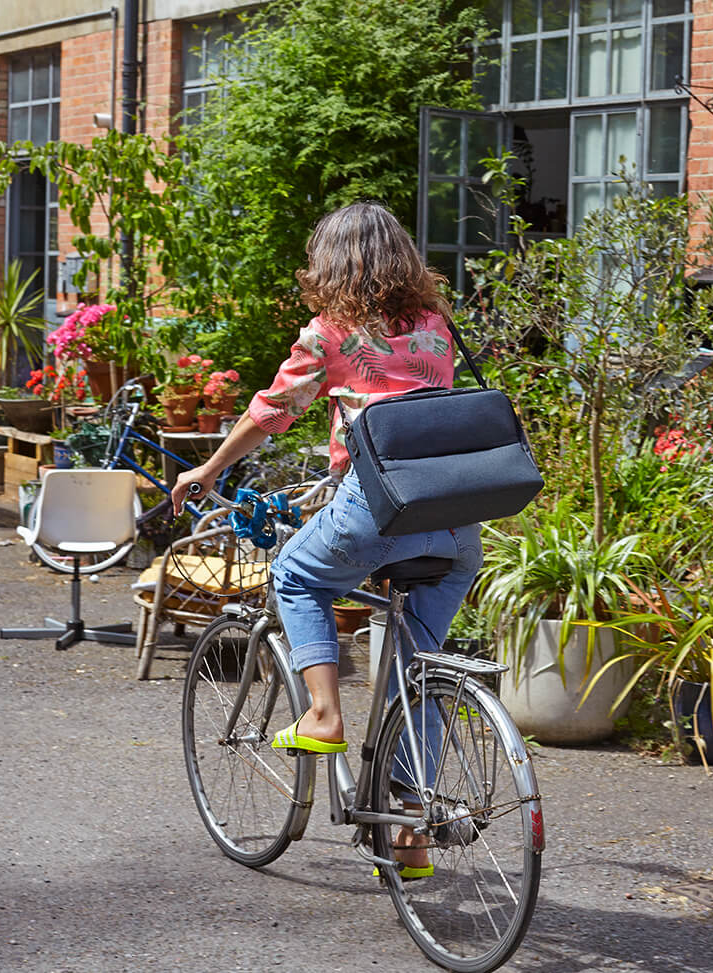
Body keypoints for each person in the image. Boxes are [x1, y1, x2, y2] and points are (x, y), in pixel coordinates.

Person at [170, 202, 482, 877]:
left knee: (295, 574)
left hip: (376, 507)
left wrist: (210, 466)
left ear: (330, 264)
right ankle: (408, 830)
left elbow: (272, 412)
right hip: (457, 523)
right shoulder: (436, 327)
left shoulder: (331, 333)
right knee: (414, 668)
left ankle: (320, 712)